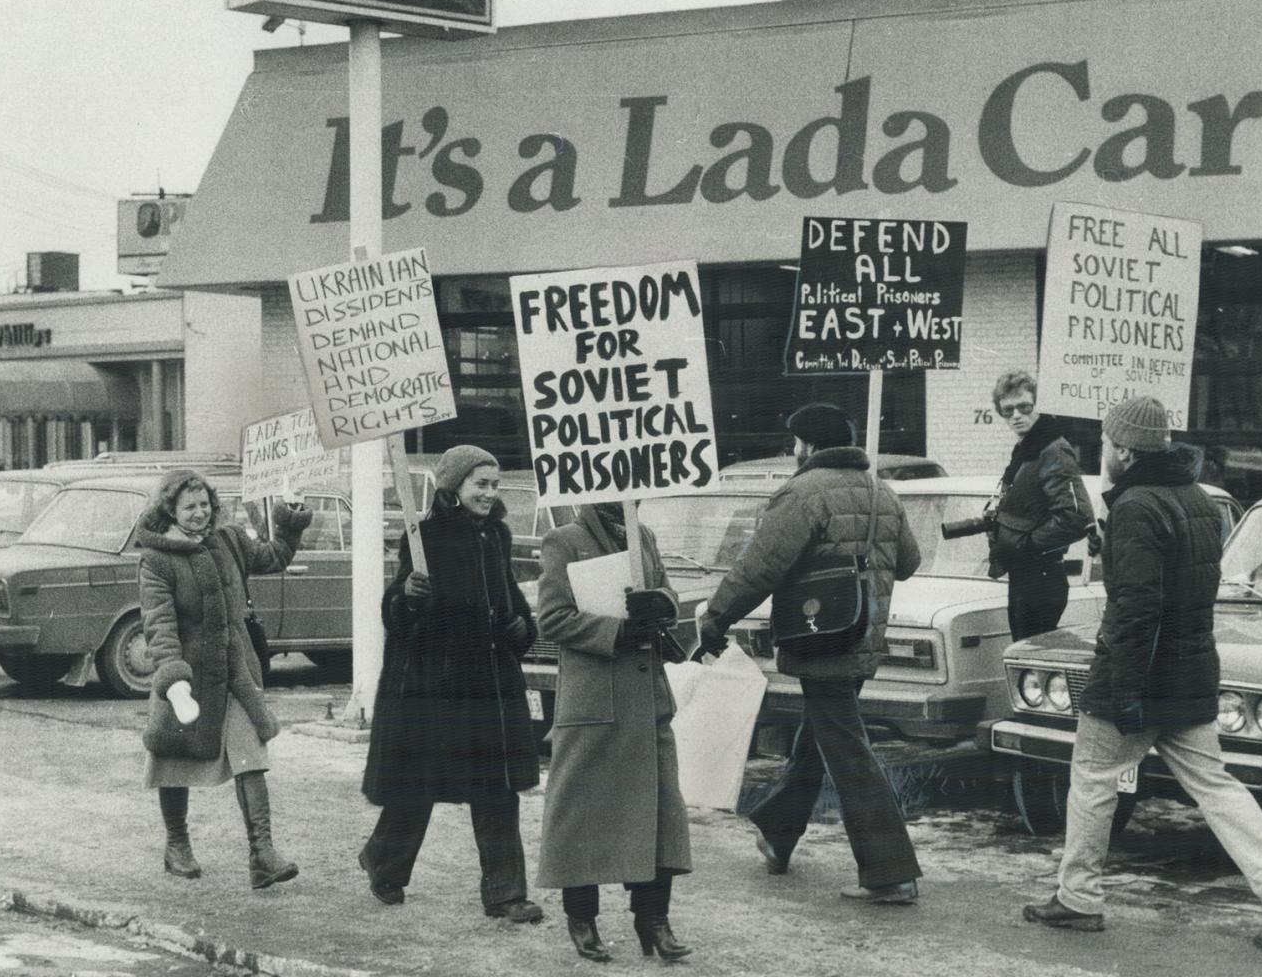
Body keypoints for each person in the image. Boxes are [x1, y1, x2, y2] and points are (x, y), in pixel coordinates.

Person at [1023, 396, 1262, 950]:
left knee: (1091, 780)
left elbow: (1137, 609)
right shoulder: (1198, 500)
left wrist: (1126, 691)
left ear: (1127, 449)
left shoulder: (1137, 506)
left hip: (1137, 675)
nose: (1104, 453)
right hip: (1191, 672)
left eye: (1109, 444)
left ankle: (1077, 898)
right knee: (1216, 785)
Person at [699, 402, 923, 904]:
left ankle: (891, 871)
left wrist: (716, 617)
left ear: (810, 445)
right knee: (820, 736)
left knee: (846, 748)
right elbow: (908, 562)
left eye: (796, 443)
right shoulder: (880, 491)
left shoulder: (802, 492)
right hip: (862, 635)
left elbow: (759, 568)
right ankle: (778, 833)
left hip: (820, 636)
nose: (793, 450)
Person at [359, 445, 546, 923]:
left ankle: (505, 894)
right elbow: (396, 618)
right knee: (418, 785)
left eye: (495, 484)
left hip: (489, 683)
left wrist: (520, 627)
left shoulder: (499, 535)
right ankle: (383, 862)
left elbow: (508, 595)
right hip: (438, 681)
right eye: (480, 484)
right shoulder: (424, 537)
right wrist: (408, 597)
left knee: (496, 787)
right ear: (454, 487)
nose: (489, 493)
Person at [136, 469, 312, 889]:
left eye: (205, 505)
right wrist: (175, 683)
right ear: (170, 511)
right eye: (189, 507)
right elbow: (159, 625)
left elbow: (275, 556)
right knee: (173, 759)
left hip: (236, 673)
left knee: (250, 754)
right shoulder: (157, 560)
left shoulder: (229, 540)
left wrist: (291, 513)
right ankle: (177, 844)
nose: (200, 514)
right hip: (185, 679)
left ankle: (262, 855)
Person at [535, 502, 693, 963]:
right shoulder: (564, 540)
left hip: (646, 698)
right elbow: (553, 618)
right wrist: (618, 631)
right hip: (594, 700)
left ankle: (653, 920)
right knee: (580, 812)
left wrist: (662, 604)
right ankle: (582, 918)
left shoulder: (641, 535)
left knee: (659, 809)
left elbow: (667, 593)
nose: (632, 493)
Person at [986, 370, 1094, 641]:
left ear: (1039, 406)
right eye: (1008, 410)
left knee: (1030, 660)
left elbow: (1076, 517)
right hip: (1028, 574)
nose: (1016, 416)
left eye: (1024, 407)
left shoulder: (1051, 448)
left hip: (1041, 576)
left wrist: (1027, 544)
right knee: (1023, 655)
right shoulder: (1028, 448)